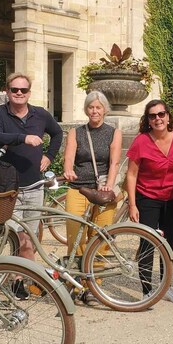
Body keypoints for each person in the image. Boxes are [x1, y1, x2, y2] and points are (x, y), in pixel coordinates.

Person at [0, 72, 63, 269]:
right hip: (8, 188)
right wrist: (23, 138)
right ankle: (17, 276)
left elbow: (57, 133)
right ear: (7, 91)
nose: (19, 93)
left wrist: (49, 156)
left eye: (23, 90)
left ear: (29, 93)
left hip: (34, 186)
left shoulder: (40, 114)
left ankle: (21, 280)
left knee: (29, 237)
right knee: (15, 236)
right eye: (14, 89)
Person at [125, 99, 173, 304]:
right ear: (148, 120)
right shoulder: (141, 141)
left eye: (161, 114)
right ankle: (147, 290)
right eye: (153, 116)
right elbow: (131, 174)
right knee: (148, 243)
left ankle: (166, 286)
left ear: (168, 116)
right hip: (148, 197)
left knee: (168, 243)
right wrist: (132, 204)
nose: (158, 119)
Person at [62, 91, 122, 259]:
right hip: (78, 188)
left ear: (105, 110)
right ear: (86, 110)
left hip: (102, 189)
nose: (94, 111)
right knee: (75, 236)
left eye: (98, 107)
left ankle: (95, 281)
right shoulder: (76, 132)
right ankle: (77, 280)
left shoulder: (114, 133)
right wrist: (68, 170)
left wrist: (109, 184)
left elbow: (114, 163)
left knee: (100, 237)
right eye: (91, 107)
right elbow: (69, 157)